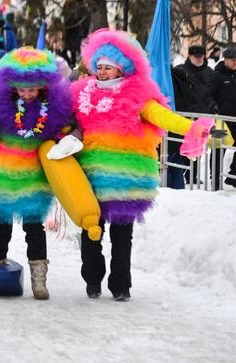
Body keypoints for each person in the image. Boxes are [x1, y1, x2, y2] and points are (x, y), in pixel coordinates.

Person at [63, 29, 222, 301]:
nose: (101, 73)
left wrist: (193, 128)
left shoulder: (137, 96)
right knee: (91, 231)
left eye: (108, 68)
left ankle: (121, 285)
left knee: (122, 236)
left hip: (126, 178)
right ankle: (92, 277)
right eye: (98, 67)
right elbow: (61, 119)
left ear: (121, 69)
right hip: (90, 177)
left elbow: (164, 117)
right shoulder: (81, 94)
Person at [0, 47, 73, 299]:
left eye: (32, 89)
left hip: (33, 176)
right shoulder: (2, 106)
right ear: (12, 87)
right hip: (3, 173)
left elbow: (61, 132)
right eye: (22, 88)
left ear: (43, 87)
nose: (27, 94)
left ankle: (39, 280)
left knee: (33, 227)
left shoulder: (52, 110)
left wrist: (67, 138)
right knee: (2, 225)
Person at [170, 45, 216, 189]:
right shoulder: (180, 71)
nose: (198, 59)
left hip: (202, 114)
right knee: (181, 145)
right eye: (196, 56)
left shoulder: (209, 72)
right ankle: (182, 172)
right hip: (185, 115)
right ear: (189, 56)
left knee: (198, 146)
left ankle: (192, 175)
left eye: (201, 56)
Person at [204, 44, 236, 188]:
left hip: (235, 119)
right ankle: (215, 181)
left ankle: (233, 176)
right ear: (225, 60)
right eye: (232, 59)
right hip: (221, 119)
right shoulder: (216, 76)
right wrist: (213, 104)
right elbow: (207, 95)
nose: (235, 62)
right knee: (218, 149)